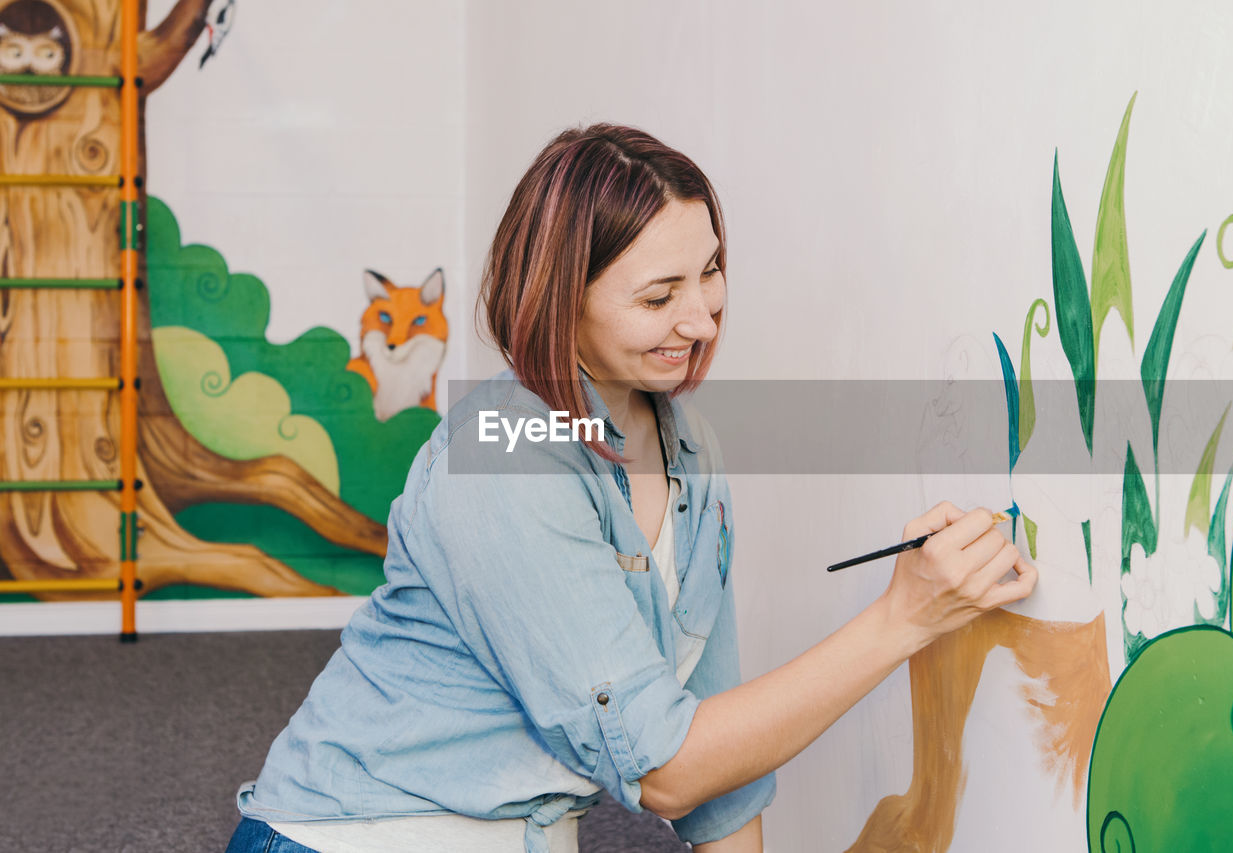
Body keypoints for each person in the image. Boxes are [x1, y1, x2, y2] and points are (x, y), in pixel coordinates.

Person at [226, 123, 1037, 853]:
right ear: (558, 300)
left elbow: (719, 769)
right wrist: (905, 616)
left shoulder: (692, 449)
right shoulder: (504, 451)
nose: (702, 319)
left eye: (711, 271)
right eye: (659, 296)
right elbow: (668, 769)